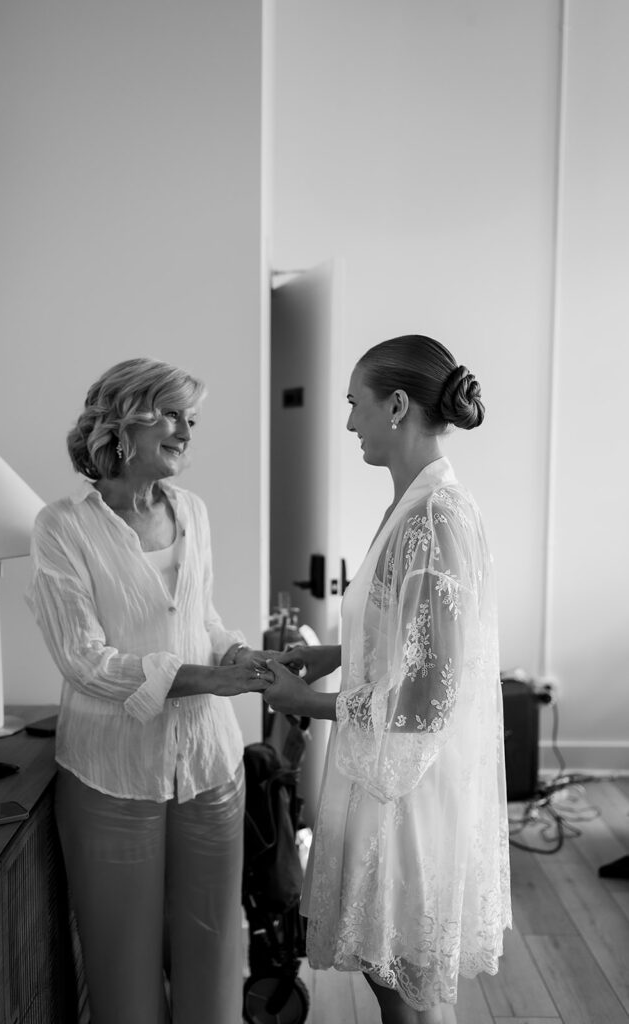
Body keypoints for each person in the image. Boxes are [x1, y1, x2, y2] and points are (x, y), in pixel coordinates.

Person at [263, 335, 512, 1024]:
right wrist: (336, 653)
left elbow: (430, 694)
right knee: (391, 982)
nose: (348, 424)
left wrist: (305, 703)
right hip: (388, 776)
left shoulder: (432, 519)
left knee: (406, 992)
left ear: (396, 405)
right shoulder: (413, 505)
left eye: (355, 405)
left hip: (409, 786)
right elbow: (412, 632)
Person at [26, 357, 274, 1024]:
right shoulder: (61, 527)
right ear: (119, 422)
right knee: (121, 966)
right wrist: (204, 678)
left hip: (211, 768)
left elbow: (204, 618)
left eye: (189, 418)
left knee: (217, 951)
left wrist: (236, 653)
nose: (185, 431)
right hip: (112, 777)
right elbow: (85, 660)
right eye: (169, 414)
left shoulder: (192, 510)